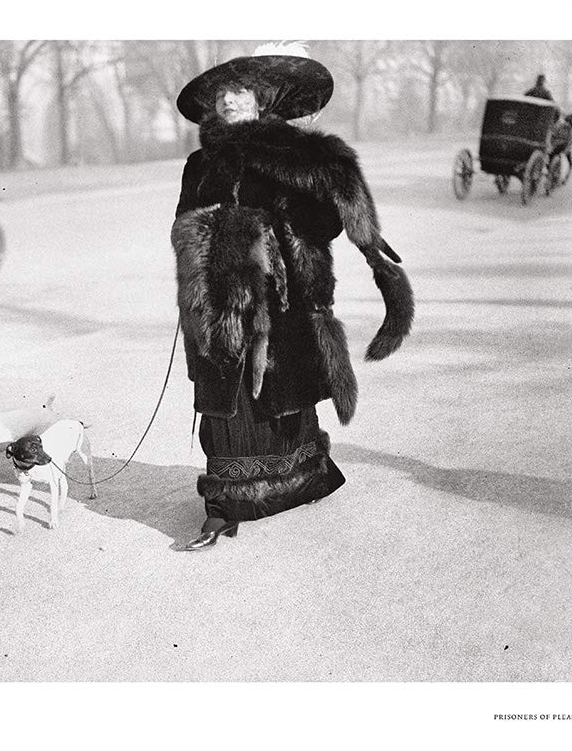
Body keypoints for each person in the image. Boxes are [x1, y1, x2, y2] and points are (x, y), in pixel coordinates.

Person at [169, 50, 414, 551]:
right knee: (228, 400)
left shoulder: (287, 154)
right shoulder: (198, 164)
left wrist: (317, 205)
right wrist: (226, 245)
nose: (229, 99)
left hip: (282, 301)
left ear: (260, 101)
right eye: (220, 95)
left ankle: (304, 479)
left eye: (239, 91)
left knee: (284, 390)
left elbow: (320, 223)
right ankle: (224, 508)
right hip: (218, 302)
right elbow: (184, 226)